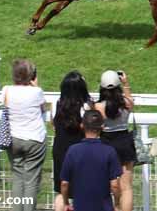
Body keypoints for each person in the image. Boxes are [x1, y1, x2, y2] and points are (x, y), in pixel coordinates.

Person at [1, 59, 48, 211]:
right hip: (35, 139)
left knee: (17, 177)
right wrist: (36, 86)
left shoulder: (7, 90)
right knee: (31, 181)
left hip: (13, 139)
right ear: (31, 76)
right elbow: (43, 109)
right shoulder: (37, 91)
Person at [60, 110, 122, 211]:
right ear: (102, 127)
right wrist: (117, 204)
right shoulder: (109, 151)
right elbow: (115, 185)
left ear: (82, 125)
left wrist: (66, 203)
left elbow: (64, 183)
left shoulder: (73, 150)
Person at [52, 71, 94, 211]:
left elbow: (54, 126)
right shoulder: (86, 107)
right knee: (80, 191)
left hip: (60, 151)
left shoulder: (57, 104)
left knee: (60, 191)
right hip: (80, 153)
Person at [95, 70, 135, 211]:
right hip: (124, 142)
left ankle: (115, 206)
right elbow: (130, 101)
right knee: (127, 187)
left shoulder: (98, 107)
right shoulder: (126, 103)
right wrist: (126, 83)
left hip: (106, 144)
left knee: (109, 184)